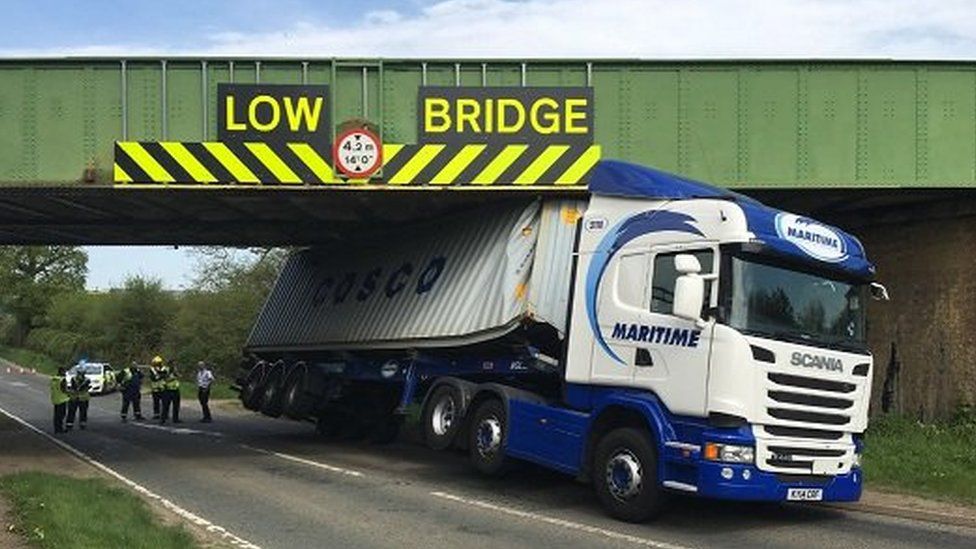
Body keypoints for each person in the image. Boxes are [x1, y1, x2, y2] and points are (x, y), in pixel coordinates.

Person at [50, 367, 70, 434]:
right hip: (62, 400)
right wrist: (70, 393)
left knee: (56, 415)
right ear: (61, 372)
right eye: (64, 372)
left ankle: (56, 429)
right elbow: (64, 390)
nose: (65, 373)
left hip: (55, 399)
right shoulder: (62, 380)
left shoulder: (54, 379)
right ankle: (60, 429)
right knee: (61, 415)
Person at [149, 356, 166, 420]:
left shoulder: (164, 368)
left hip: (162, 388)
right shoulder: (152, 369)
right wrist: (159, 376)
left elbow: (164, 375)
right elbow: (153, 378)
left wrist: (158, 376)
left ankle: (164, 414)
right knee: (156, 402)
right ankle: (156, 414)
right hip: (155, 389)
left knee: (164, 402)